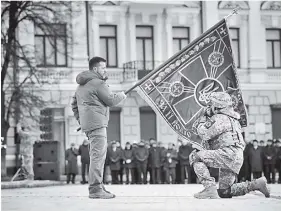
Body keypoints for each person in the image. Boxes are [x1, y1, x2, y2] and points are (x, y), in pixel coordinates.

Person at [190, 92, 270, 199]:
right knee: (224, 192)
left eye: (211, 104)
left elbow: (204, 134)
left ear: (217, 106)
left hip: (227, 153)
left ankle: (209, 188)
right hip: (235, 156)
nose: (210, 107)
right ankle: (255, 184)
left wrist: (203, 119)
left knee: (195, 156)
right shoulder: (233, 119)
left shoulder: (220, 118)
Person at [71, 56, 127, 199]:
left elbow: (74, 105)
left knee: (96, 155)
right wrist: (122, 95)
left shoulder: (81, 85)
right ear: (95, 69)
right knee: (98, 157)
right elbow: (111, 100)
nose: (105, 70)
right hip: (98, 124)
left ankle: (99, 186)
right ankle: (95, 189)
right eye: (103, 67)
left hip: (89, 126)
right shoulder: (98, 83)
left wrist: (82, 120)